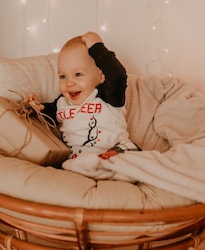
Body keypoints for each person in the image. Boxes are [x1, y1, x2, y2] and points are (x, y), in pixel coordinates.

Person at [25, 31, 140, 162]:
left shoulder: (107, 95)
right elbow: (46, 120)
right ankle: (91, 165)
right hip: (78, 158)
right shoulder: (61, 103)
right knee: (67, 162)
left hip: (114, 153)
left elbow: (118, 76)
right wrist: (35, 108)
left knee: (131, 149)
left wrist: (98, 48)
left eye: (78, 74)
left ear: (101, 76)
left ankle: (106, 161)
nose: (69, 83)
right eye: (63, 76)